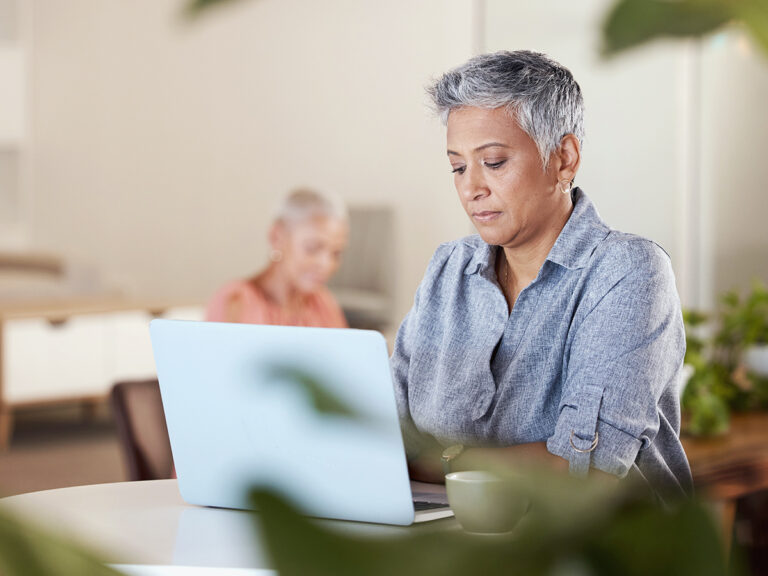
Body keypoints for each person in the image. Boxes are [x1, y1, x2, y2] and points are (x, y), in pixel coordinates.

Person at [392, 50, 692, 502]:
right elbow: (385, 435)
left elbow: (583, 469)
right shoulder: (447, 269)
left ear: (564, 159)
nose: (471, 188)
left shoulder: (628, 272)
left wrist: (440, 460)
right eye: (457, 166)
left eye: (493, 162)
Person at [206, 188, 349, 328]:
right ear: (276, 237)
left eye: (336, 254)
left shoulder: (324, 305)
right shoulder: (236, 301)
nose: (326, 265)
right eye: (312, 248)